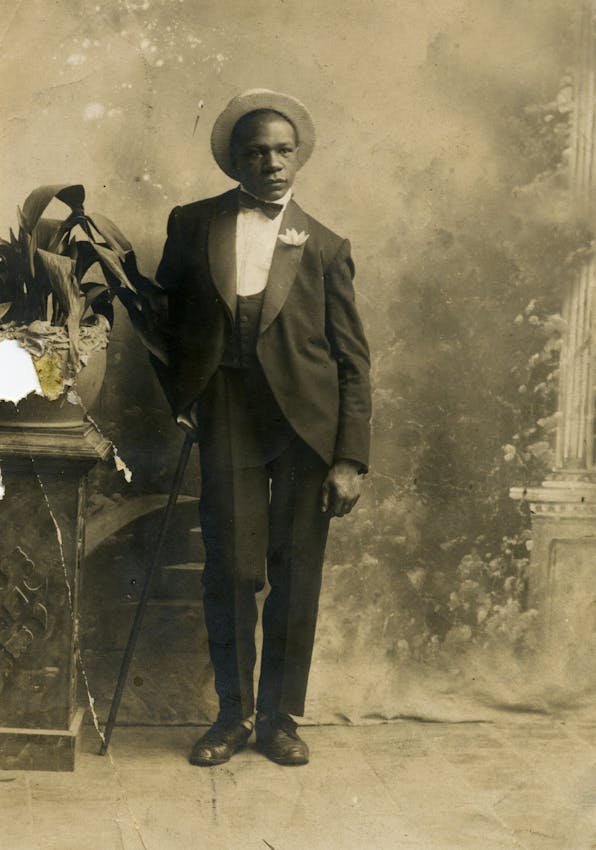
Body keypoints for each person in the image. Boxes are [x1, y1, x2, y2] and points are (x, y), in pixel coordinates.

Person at [154, 89, 371, 767]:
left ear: (297, 154)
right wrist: (182, 394)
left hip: (307, 431)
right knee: (231, 571)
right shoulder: (193, 226)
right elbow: (161, 321)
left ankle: (280, 719)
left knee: (295, 575)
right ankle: (232, 716)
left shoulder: (327, 246)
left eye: (283, 151)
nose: (273, 164)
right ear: (235, 162)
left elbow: (353, 362)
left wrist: (350, 460)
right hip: (228, 421)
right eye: (257, 153)